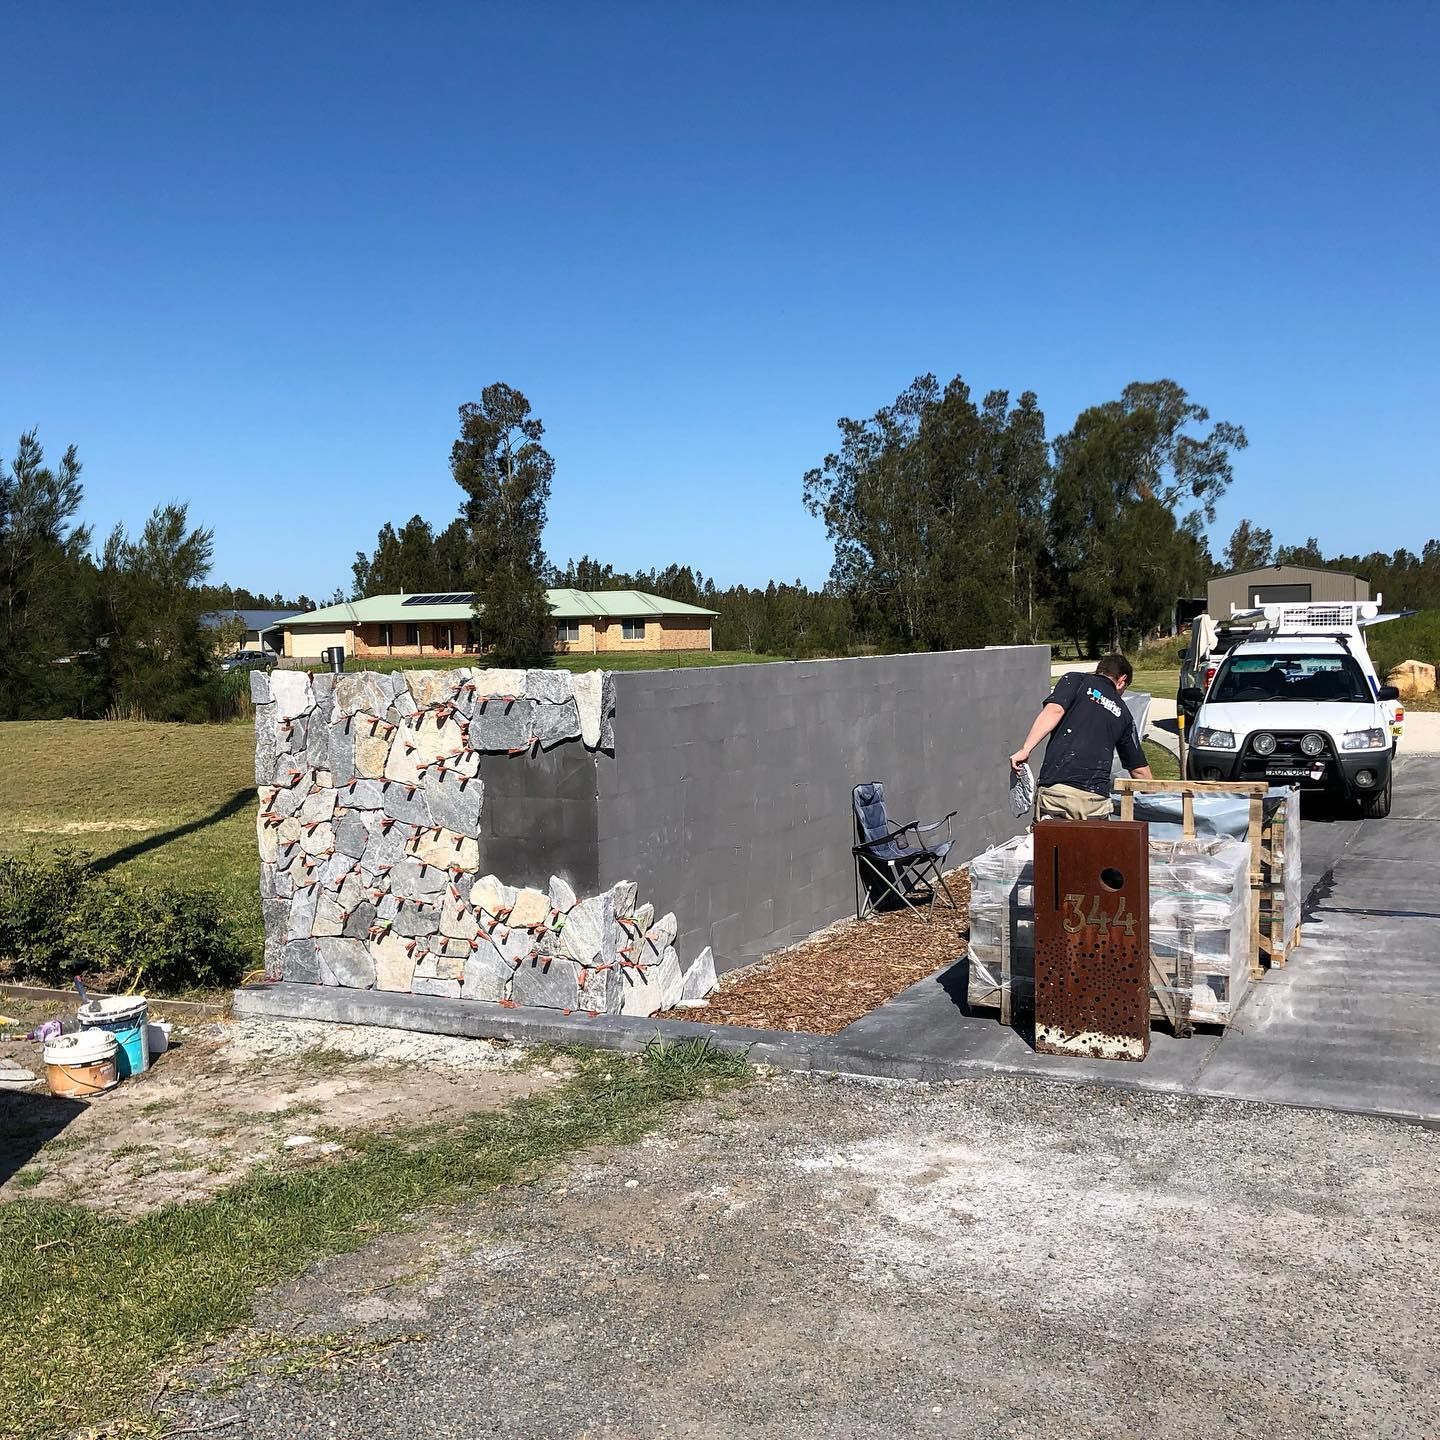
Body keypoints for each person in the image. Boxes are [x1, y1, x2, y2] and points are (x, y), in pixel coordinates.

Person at [1009, 655, 1152, 820]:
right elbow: (1139, 770)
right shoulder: (1123, 713)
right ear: (1122, 679)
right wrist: (1160, 798)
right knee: (1090, 845)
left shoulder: (1076, 680)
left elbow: (1054, 710)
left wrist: (1026, 749)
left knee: (1049, 844)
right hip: (1095, 801)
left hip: (1057, 793)